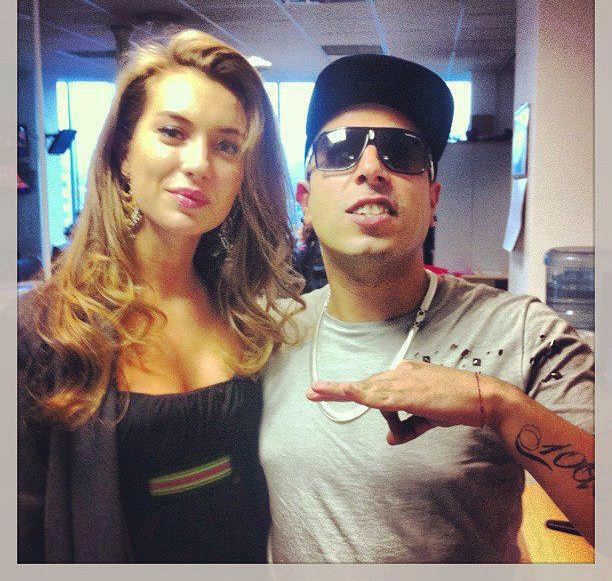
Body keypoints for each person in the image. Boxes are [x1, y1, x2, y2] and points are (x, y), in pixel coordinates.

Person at [259, 54, 594, 563]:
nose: (370, 168)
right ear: (305, 199)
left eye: (402, 152)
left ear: (433, 201)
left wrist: (499, 405)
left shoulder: (526, 334)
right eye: (340, 150)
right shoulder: (267, 333)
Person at [18, 29, 303, 563]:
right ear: (123, 154)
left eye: (226, 145)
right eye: (173, 132)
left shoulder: (247, 313)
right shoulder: (44, 330)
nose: (199, 164)